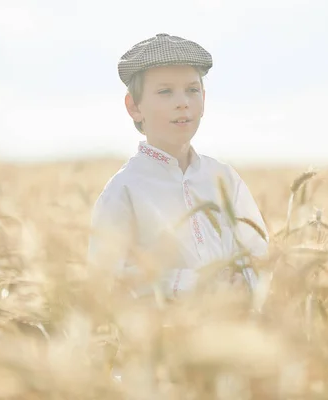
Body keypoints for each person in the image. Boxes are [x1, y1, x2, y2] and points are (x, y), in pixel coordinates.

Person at [87, 33, 270, 303]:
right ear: (134, 107)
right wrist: (194, 283)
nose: (182, 102)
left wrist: (244, 283)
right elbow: (107, 280)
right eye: (165, 91)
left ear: (204, 100)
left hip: (230, 335)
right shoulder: (124, 189)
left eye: (192, 90)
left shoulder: (225, 179)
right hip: (159, 340)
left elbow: (258, 252)